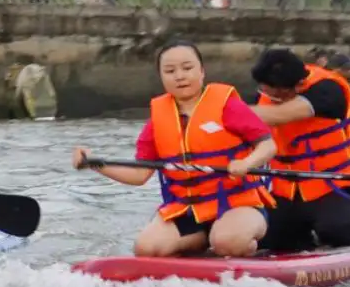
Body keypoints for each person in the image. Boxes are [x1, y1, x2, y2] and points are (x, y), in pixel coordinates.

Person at [73, 42, 276, 258]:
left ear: (202, 71)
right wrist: (94, 163)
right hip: (187, 209)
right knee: (147, 249)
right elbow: (139, 175)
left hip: (238, 202)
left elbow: (268, 145)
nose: (179, 76)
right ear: (161, 77)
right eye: (170, 71)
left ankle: (244, 248)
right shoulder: (158, 119)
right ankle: (198, 244)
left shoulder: (228, 105)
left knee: (228, 242)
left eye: (187, 68)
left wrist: (247, 163)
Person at [249, 49, 350, 251]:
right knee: (270, 240)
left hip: (331, 185)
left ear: (293, 87)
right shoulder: (265, 95)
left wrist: (225, 111)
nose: (265, 94)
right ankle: (302, 240)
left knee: (334, 230)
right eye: (263, 88)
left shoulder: (328, 88)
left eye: (271, 90)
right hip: (284, 189)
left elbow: (282, 114)